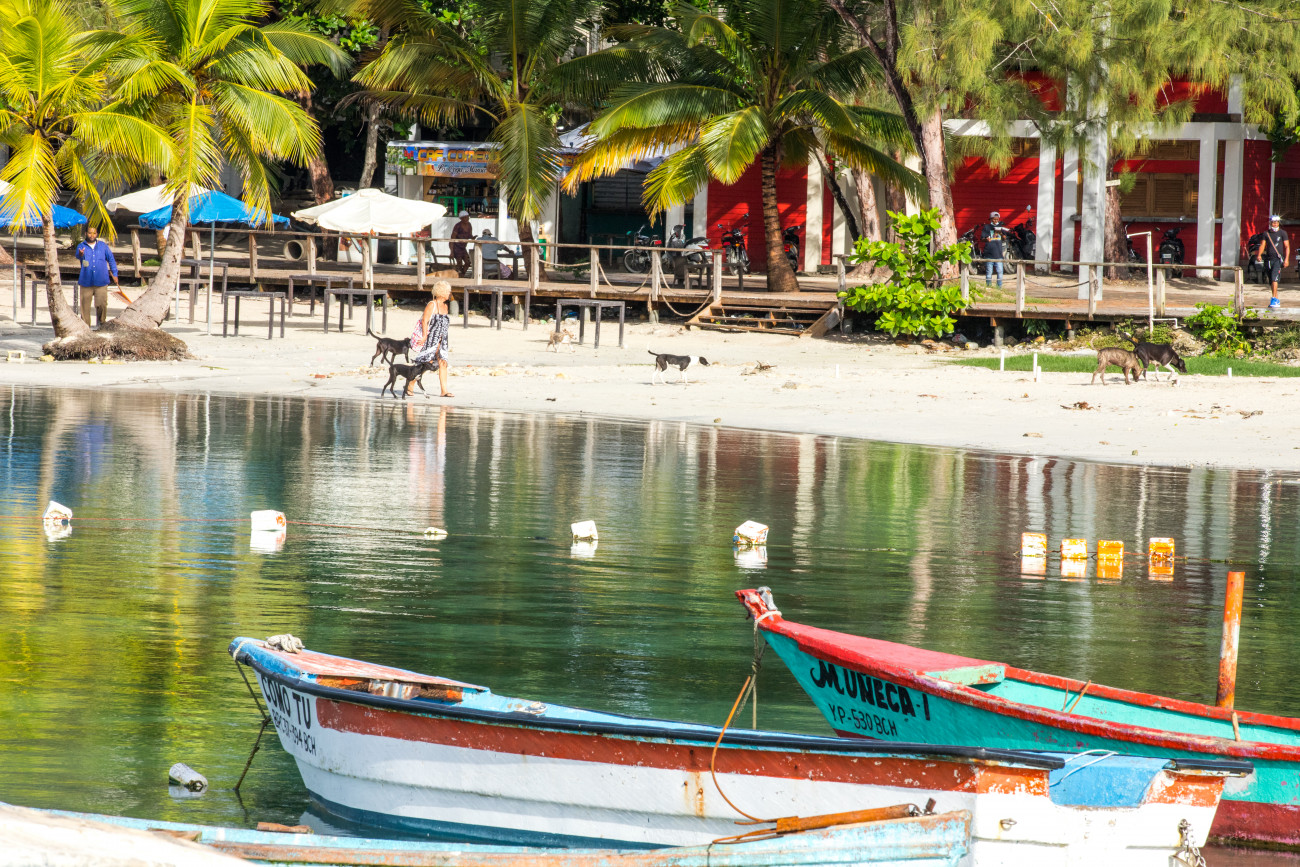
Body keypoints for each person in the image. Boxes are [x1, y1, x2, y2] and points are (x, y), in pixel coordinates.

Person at [411, 280, 453, 398]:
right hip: (430, 340)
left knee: (443, 363)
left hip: (442, 341)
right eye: (448, 291)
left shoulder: (445, 306)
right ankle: (410, 384)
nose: (449, 294)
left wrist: (443, 340)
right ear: (442, 292)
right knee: (425, 364)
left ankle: (444, 391)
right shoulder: (432, 304)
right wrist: (424, 336)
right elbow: (424, 321)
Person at [75, 226, 120, 327]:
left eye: (94, 233)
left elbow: (111, 259)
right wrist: (81, 254)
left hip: (101, 281)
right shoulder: (81, 246)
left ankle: (101, 324)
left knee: (102, 304)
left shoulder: (103, 246)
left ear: (97, 234)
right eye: (90, 233)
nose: (92, 235)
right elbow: (78, 255)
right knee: (85, 307)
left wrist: (115, 273)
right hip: (86, 282)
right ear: (86, 233)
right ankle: (86, 327)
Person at [1258, 214, 1289, 309]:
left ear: (1278, 223)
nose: (1275, 224)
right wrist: (1259, 255)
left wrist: (1286, 259)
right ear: (1270, 223)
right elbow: (1263, 245)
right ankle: (1276, 298)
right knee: (1271, 279)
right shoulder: (1266, 233)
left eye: (1276, 222)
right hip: (1268, 259)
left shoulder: (1283, 233)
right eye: (1273, 222)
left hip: (1277, 259)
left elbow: (1287, 246)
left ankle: (1274, 299)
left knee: (1274, 278)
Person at [980, 211, 1007, 289]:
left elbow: (1004, 238)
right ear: (991, 219)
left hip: (998, 254)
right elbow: (982, 238)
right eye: (994, 219)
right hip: (989, 254)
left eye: (997, 219)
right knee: (989, 273)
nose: (995, 221)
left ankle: (999, 288)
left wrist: (1001, 233)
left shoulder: (1001, 227)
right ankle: (989, 287)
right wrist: (986, 239)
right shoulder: (986, 227)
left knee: (1000, 272)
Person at [450, 211, 473, 276]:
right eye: (465, 217)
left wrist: (472, 237)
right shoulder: (457, 226)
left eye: (467, 217)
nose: (467, 219)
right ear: (461, 218)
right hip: (456, 247)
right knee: (459, 263)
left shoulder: (469, 225)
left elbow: (469, 235)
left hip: (463, 247)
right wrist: (451, 251)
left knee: (468, 262)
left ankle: (462, 275)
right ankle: (458, 275)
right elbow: (452, 238)